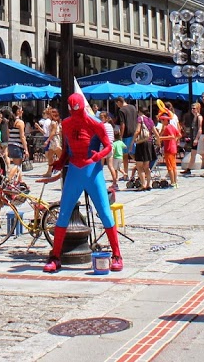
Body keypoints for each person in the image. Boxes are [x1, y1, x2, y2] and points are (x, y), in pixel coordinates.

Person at [40, 92, 124, 274]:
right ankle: (55, 256)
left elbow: (108, 145)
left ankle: (117, 254)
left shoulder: (95, 123)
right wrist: (60, 162)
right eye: (72, 110)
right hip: (75, 171)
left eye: (76, 110)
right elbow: (67, 148)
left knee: (105, 213)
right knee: (63, 214)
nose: (74, 114)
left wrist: (98, 156)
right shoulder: (66, 124)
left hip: (92, 171)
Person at [157, 110, 181, 187]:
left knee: (170, 167)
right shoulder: (172, 126)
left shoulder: (167, 127)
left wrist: (161, 138)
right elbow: (179, 135)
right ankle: (175, 182)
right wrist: (175, 141)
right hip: (173, 148)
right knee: (173, 166)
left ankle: (173, 182)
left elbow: (172, 136)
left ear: (166, 120)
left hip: (169, 148)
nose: (161, 121)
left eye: (162, 120)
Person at [116, 97, 138, 182]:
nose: (117, 105)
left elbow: (122, 124)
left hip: (126, 134)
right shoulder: (133, 107)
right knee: (133, 153)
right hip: (134, 133)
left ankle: (125, 174)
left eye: (117, 103)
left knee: (125, 155)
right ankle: (143, 166)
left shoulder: (121, 110)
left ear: (119, 102)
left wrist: (120, 136)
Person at [180, 102, 203, 175]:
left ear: (198, 109)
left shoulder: (199, 117)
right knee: (193, 154)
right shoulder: (194, 117)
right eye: (192, 108)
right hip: (193, 137)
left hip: (198, 138)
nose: (192, 110)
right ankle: (188, 169)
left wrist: (196, 139)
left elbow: (200, 129)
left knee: (203, 154)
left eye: (194, 108)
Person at [7, 107, 30, 182]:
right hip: (17, 145)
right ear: (18, 111)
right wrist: (26, 149)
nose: (22, 112)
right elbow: (22, 137)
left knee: (17, 164)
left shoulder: (10, 122)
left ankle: (20, 181)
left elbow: (8, 134)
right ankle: (9, 179)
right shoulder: (20, 122)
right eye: (21, 110)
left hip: (11, 144)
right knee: (17, 165)